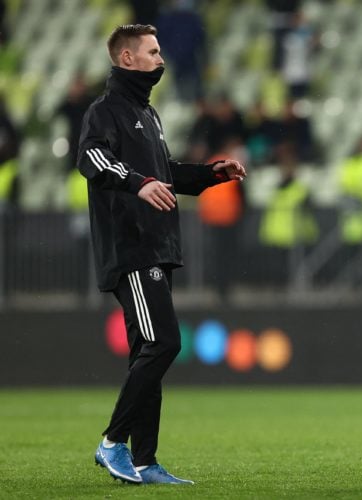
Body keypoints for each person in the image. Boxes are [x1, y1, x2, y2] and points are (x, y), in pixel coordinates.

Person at [77, 24, 246, 485]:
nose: (161, 60)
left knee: (146, 355)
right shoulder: (106, 111)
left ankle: (145, 461)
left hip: (154, 247)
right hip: (131, 248)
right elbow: (90, 159)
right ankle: (113, 444)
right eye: (152, 52)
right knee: (163, 343)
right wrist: (138, 182)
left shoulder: (145, 114)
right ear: (126, 58)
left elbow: (164, 173)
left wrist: (212, 174)